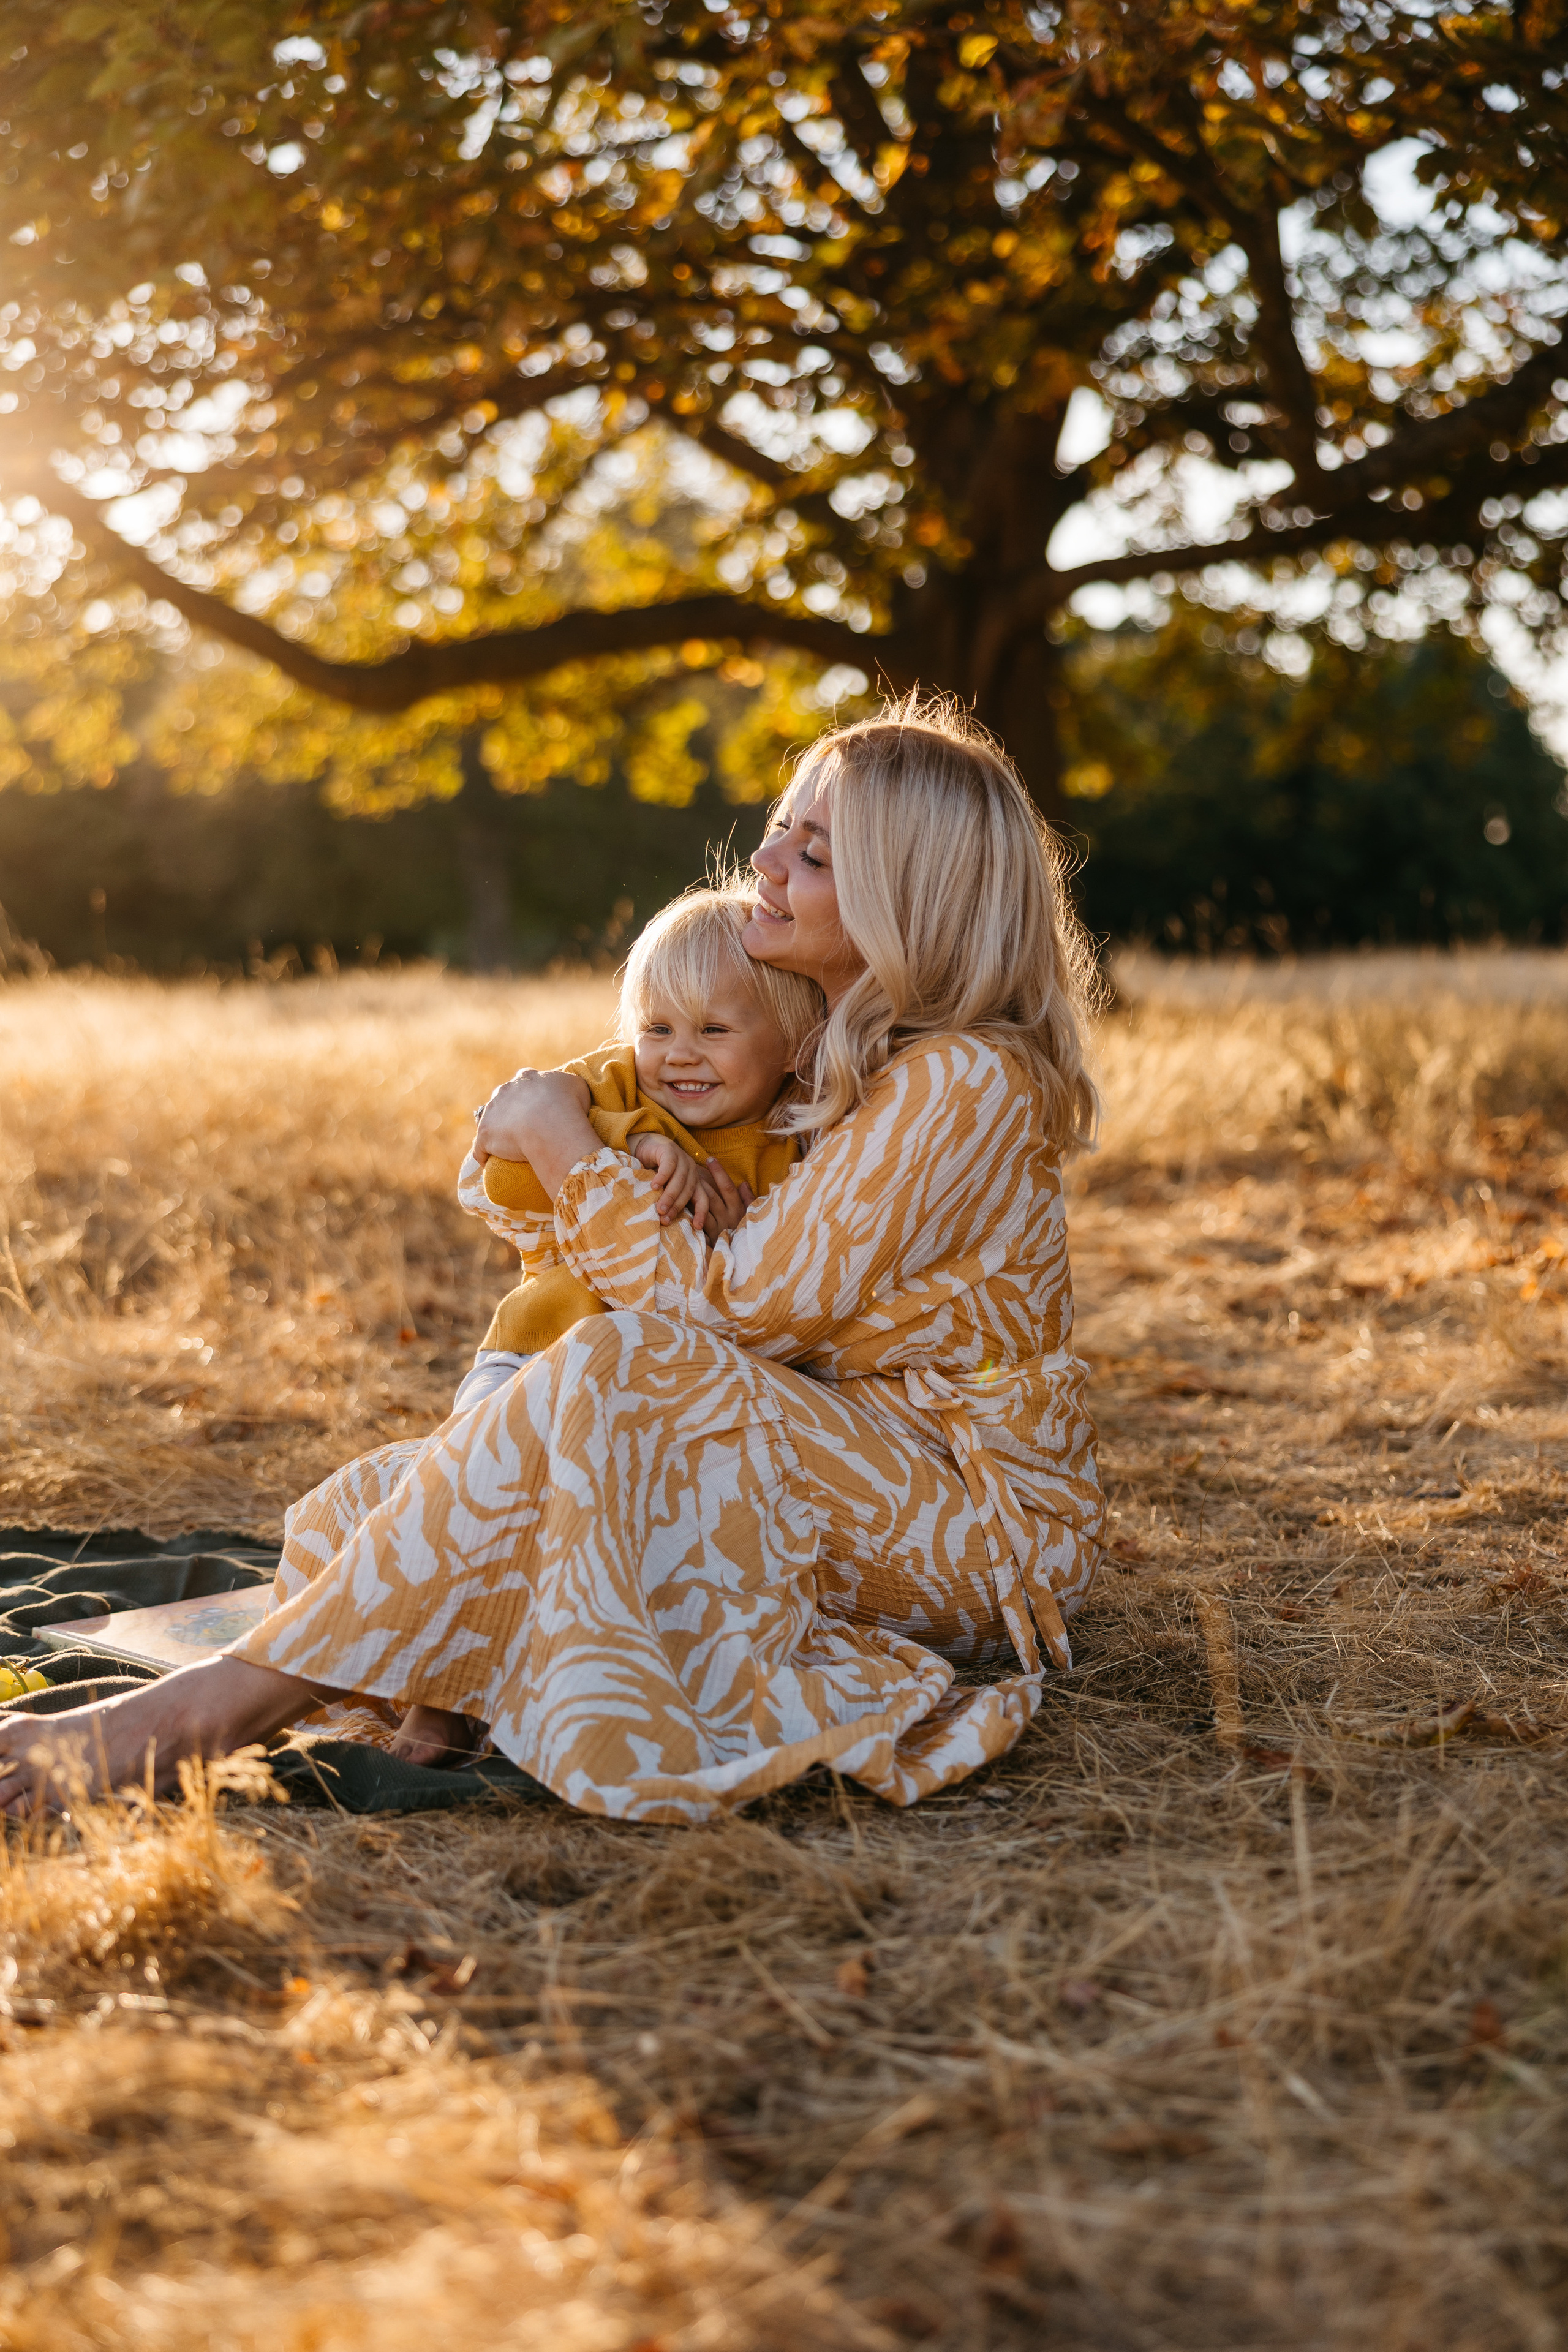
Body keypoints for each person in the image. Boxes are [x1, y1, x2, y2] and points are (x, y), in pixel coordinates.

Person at [0, 696, 1105, 1823]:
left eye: (813, 852)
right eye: (781, 826)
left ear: (904, 895)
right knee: (374, 1504)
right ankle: (437, 1686)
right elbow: (519, 1173)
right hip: (809, 1454)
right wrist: (564, 1130)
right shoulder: (811, 1051)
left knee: (615, 1366)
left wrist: (575, 1154)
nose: (764, 860)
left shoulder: (964, 1076)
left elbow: (737, 1315)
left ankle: (202, 1715)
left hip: (970, 1519)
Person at [391, 884, 821, 1765]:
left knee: (596, 1549)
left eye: (714, 1030)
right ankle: (432, 1706)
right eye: (658, 1028)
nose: (679, 1057)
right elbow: (507, 1158)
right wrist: (631, 1142)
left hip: (656, 1403)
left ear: (794, 1046)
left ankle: (553, 1682)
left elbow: (778, 1293)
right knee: (469, 1517)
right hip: (532, 1360)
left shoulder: (803, 1146)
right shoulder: (614, 1090)